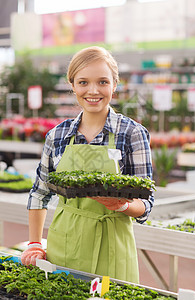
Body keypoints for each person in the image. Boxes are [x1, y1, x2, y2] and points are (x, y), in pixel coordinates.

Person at [21, 46, 154, 283]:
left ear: (115, 84)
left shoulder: (132, 133)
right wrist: (34, 243)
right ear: (72, 85)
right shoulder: (57, 135)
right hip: (65, 242)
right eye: (83, 82)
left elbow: (146, 203)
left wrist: (122, 206)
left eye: (102, 82)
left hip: (112, 244)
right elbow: (40, 193)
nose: (93, 90)